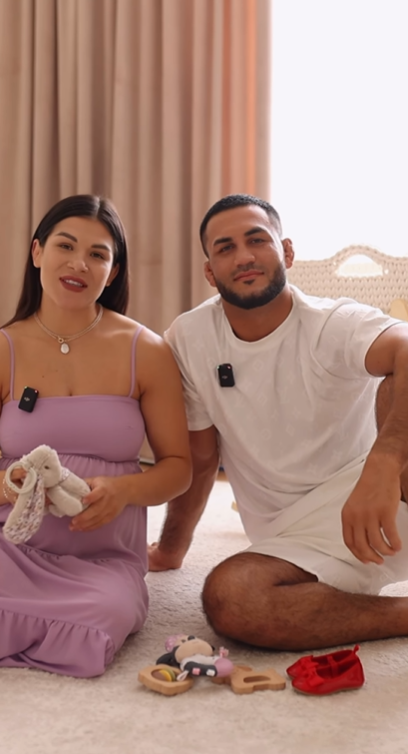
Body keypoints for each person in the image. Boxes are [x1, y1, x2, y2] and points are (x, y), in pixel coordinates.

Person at [149, 193, 408, 651]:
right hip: (295, 541)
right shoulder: (190, 338)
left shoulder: (331, 322)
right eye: (225, 248)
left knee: (397, 380)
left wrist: (383, 464)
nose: (243, 257)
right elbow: (202, 457)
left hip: (385, 498)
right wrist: (172, 548)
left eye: (256, 240)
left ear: (286, 251)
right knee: (233, 598)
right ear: (210, 271)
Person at [0, 194, 191, 678]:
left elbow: (178, 469)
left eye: (97, 254)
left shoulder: (147, 351)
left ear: (113, 272)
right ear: (37, 252)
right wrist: (11, 485)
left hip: (102, 557)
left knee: (103, 621)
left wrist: (124, 491)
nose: (79, 263)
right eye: (65, 245)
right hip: (1, 542)